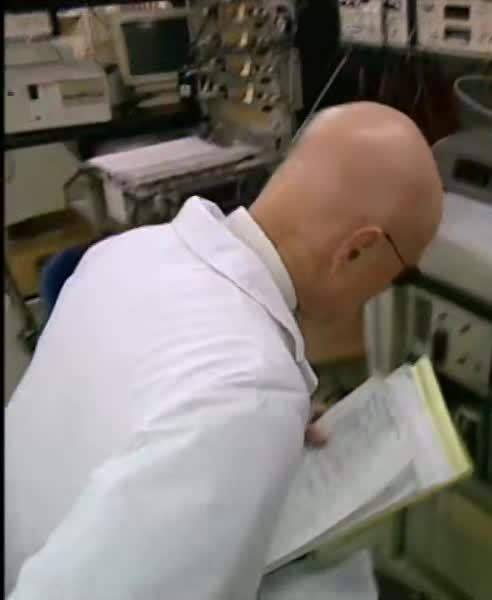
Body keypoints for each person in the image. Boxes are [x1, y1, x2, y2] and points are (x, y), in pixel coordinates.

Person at [5, 102, 443, 600]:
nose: (383, 290)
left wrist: (259, 430)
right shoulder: (246, 394)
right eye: (399, 273)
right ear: (356, 250)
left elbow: (151, 397)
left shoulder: (129, 250)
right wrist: (252, 420)